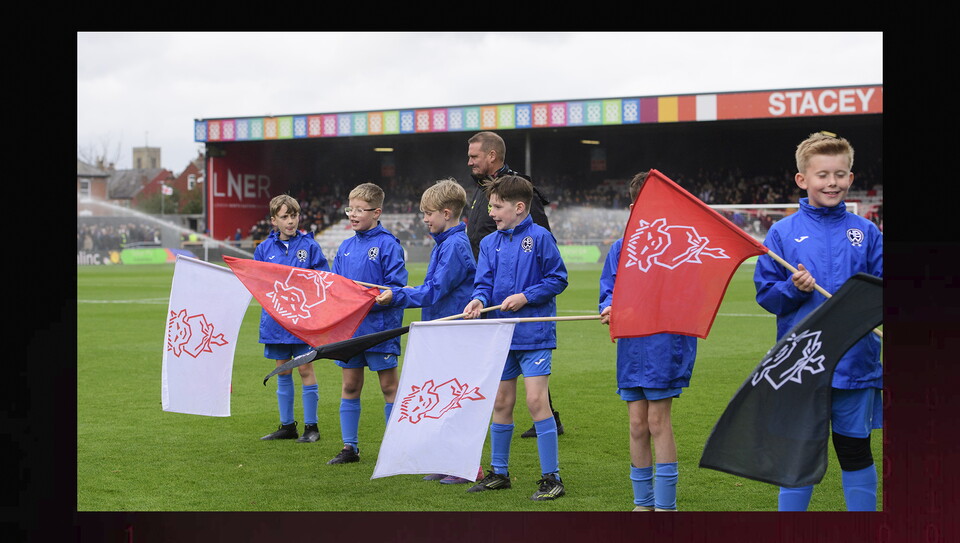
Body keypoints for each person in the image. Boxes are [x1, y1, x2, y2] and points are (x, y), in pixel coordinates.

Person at [753, 131, 883, 511]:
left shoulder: (867, 232)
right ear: (802, 179)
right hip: (801, 365)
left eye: (840, 174)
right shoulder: (782, 232)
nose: (832, 182)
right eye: (822, 175)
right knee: (798, 458)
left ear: (850, 178)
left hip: (855, 362)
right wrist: (793, 288)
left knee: (855, 451)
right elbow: (768, 296)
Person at [462, 175, 569, 501]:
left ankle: (552, 478)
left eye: (497, 207)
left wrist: (526, 296)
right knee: (501, 402)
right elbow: (483, 283)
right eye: (491, 206)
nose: (491, 213)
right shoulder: (489, 243)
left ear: (519, 207)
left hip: (534, 335)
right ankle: (499, 473)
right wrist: (478, 300)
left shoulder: (540, 238)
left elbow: (558, 278)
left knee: (536, 402)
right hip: (501, 335)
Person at [598, 171, 697, 511]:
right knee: (637, 424)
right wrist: (608, 306)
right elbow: (609, 290)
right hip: (631, 349)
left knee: (657, 421)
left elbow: (688, 295)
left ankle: (666, 507)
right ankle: (643, 505)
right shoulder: (619, 248)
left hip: (665, 346)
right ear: (632, 208)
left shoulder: (680, 246)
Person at [375, 177, 482, 485]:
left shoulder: (455, 246)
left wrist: (397, 296)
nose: (424, 219)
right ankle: (447, 460)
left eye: (428, 213)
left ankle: (469, 467)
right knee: (444, 398)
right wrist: (407, 291)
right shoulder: (444, 243)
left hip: (455, 333)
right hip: (442, 331)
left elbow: (434, 291)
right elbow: (432, 288)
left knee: (456, 401)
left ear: (446, 213)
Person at [465, 130, 564, 439]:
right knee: (501, 394)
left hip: (524, 302)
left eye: (474, 156)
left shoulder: (518, 190)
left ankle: (547, 417)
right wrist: (481, 294)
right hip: (491, 295)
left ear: (492, 156)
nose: (469, 162)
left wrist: (526, 293)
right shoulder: (482, 191)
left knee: (533, 391)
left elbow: (540, 243)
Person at [327, 182, 408, 465]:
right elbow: (336, 286)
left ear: (376, 212)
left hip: (381, 329)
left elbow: (397, 287)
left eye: (360, 210)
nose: (353, 214)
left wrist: (380, 298)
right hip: (352, 329)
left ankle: (396, 449)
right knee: (350, 386)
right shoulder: (346, 246)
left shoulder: (388, 244)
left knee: (389, 387)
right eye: (350, 209)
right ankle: (349, 447)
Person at [255, 194, 329, 444]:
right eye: (284, 217)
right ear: (273, 220)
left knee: (306, 369)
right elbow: (257, 284)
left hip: (303, 321)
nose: (290, 221)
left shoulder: (310, 246)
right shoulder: (263, 249)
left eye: (294, 216)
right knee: (282, 370)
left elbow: (323, 280)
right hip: (276, 322)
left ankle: (311, 427)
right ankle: (287, 426)